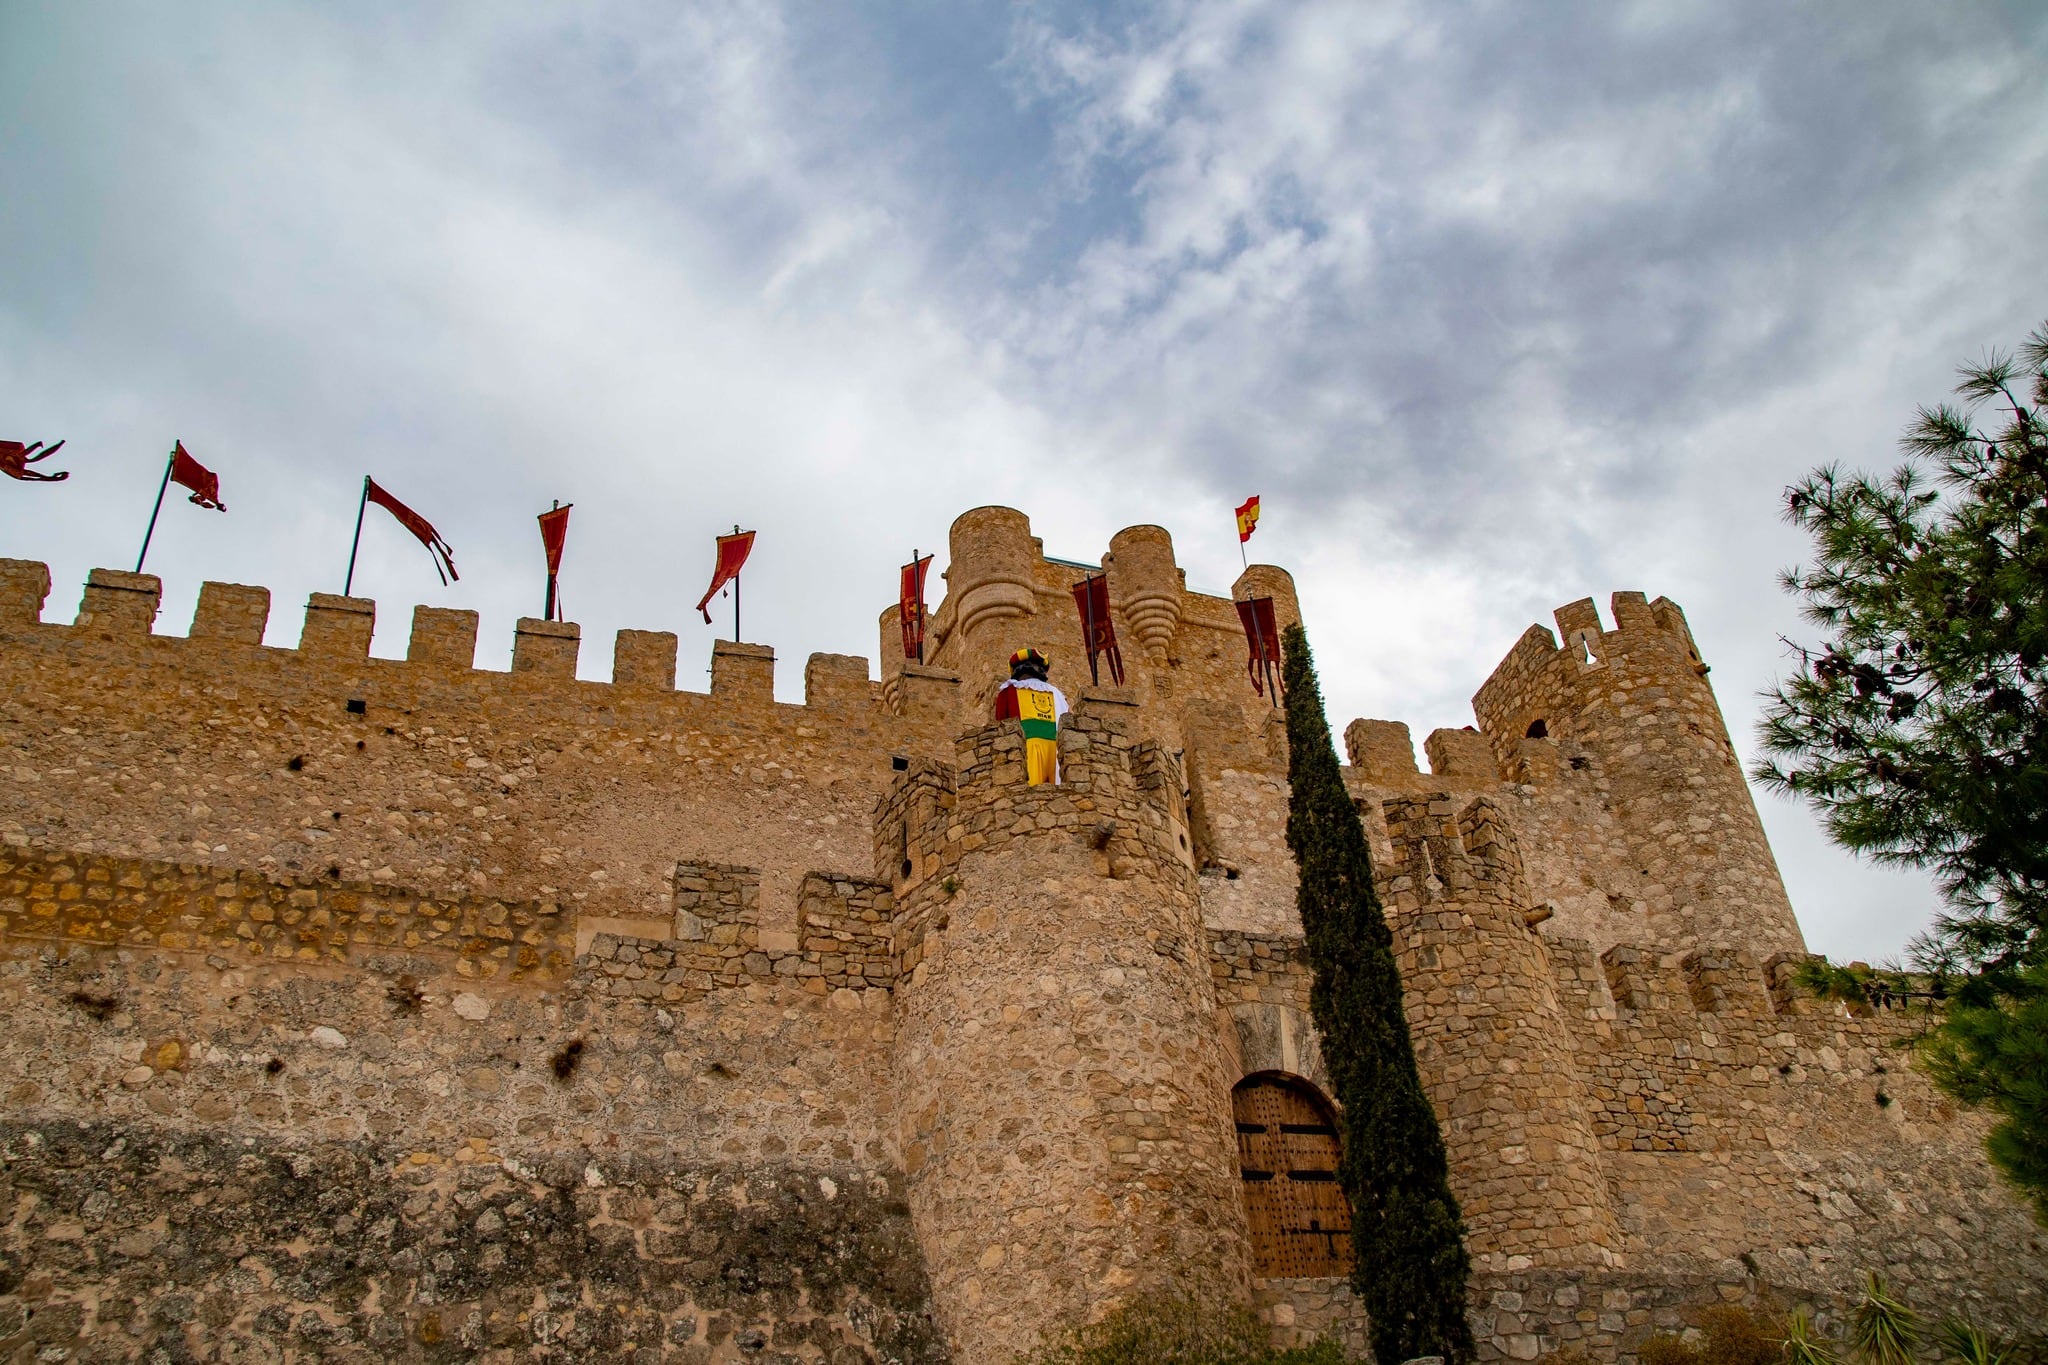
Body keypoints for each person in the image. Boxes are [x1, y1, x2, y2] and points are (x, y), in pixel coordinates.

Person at [992, 647, 1068, 785]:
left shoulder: (1009, 691)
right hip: (1055, 748)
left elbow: (1000, 722)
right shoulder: (1057, 694)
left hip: (1028, 747)